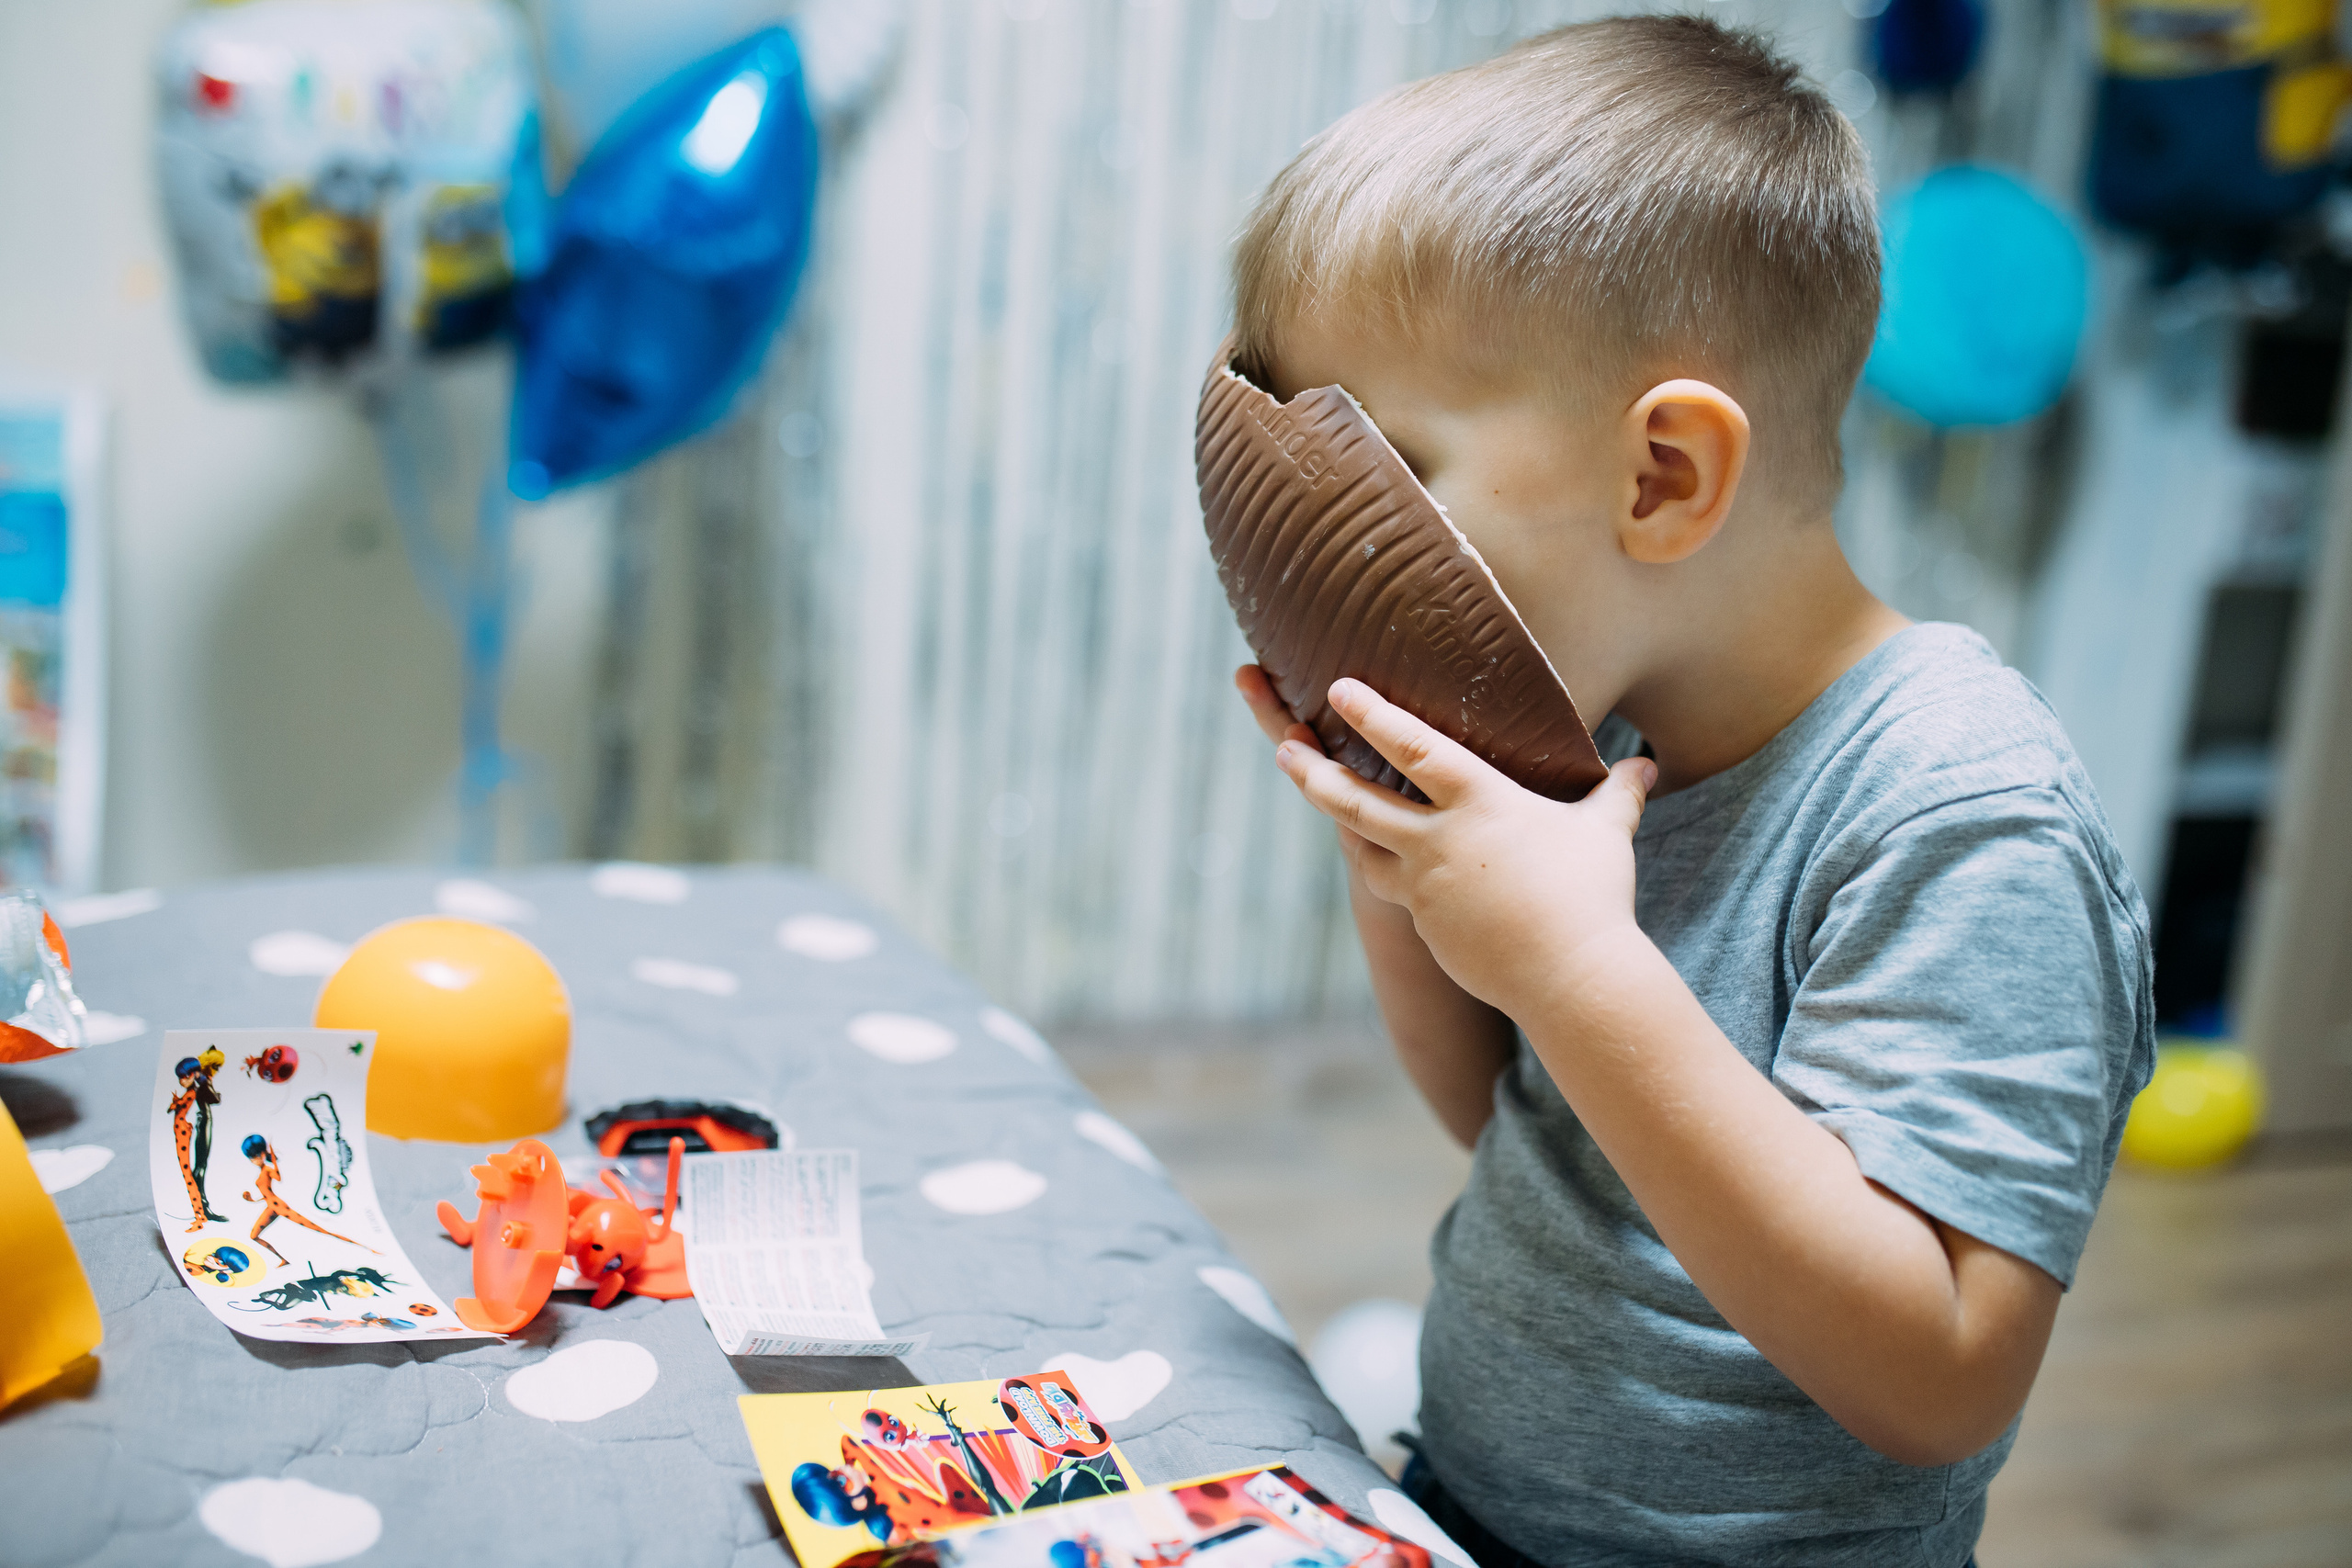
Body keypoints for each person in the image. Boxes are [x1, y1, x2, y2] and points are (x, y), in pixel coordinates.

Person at [1224, 17, 2154, 1566]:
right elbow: (1519, 1131)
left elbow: (1939, 1375)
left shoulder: (1960, 815)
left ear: (1663, 478)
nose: (1335, 553)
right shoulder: (1614, 730)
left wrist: (1583, 967)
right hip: (1473, 1502)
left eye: (1388, 471)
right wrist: (1405, 872)